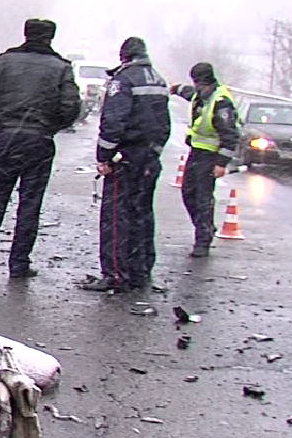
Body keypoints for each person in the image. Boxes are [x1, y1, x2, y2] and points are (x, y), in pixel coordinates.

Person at [0, 18, 81, 278]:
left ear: (26, 34)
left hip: (7, 138)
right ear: (51, 37)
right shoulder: (61, 68)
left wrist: (2, 120)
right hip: (40, 141)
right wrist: (50, 126)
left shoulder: (4, 62)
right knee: (30, 204)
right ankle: (19, 263)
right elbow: (71, 108)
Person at [81, 36, 171, 293]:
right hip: (148, 158)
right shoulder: (158, 80)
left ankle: (115, 274)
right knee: (142, 214)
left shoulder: (123, 81)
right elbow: (164, 125)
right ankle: (140, 271)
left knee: (116, 217)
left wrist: (105, 157)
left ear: (124, 56)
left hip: (125, 159)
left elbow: (113, 122)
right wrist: (153, 153)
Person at [169, 62, 239, 257]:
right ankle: (205, 227)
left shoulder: (221, 102)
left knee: (202, 197)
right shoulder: (200, 95)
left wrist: (221, 164)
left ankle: (203, 239)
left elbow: (230, 135)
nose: (196, 87)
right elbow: (188, 93)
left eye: (198, 83)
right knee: (188, 193)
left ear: (205, 82)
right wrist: (175, 89)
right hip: (196, 152)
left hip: (210, 155)